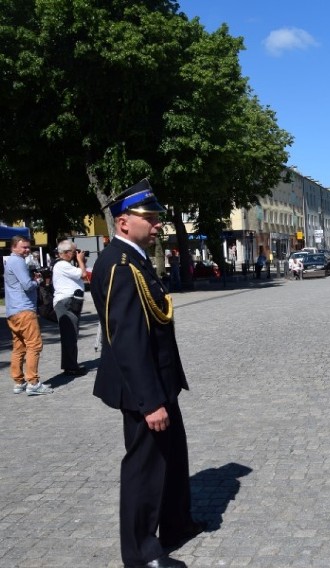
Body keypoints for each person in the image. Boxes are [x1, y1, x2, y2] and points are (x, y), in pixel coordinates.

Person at [90, 180, 204, 568]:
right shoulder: (120, 265)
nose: (158, 226)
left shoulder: (136, 258)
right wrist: (151, 401)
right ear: (123, 223)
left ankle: (175, 525)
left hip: (161, 379)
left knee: (173, 458)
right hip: (144, 390)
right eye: (150, 219)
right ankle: (141, 553)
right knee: (145, 468)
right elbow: (127, 341)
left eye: (158, 219)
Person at [4, 235, 52, 396]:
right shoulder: (17, 261)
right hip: (24, 310)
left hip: (12, 310)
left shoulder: (9, 262)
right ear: (13, 247)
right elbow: (26, 285)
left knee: (19, 347)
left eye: (28, 247)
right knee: (34, 345)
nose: (27, 250)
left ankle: (19, 382)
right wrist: (38, 281)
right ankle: (33, 382)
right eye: (23, 247)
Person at [52, 239, 88, 376]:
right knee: (70, 335)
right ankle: (71, 366)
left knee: (71, 335)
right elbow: (83, 274)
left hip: (69, 302)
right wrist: (81, 260)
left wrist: (80, 262)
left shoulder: (64, 265)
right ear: (66, 253)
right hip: (65, 302)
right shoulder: (61, 265)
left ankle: (70, 364)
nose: (76, 254)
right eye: (74, 252)